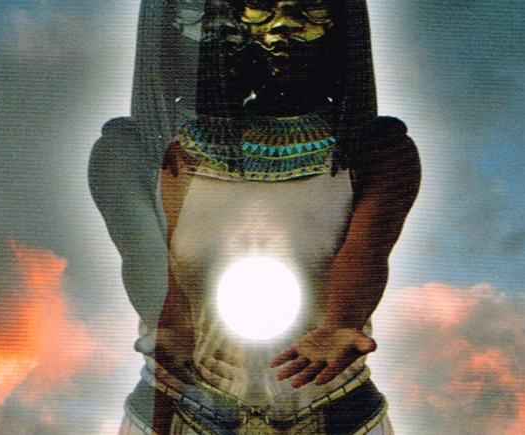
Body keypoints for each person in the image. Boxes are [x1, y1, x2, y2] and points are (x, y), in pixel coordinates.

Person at [90, 1, 420, 434]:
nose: (284, 28)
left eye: (310, 8)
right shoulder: (142, 152)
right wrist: (168, 326)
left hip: (337, 415)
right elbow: (144, 256)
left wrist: (342, 324)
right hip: (181, 414)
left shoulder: (379, 149)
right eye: (259, 7)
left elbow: (366, 252)